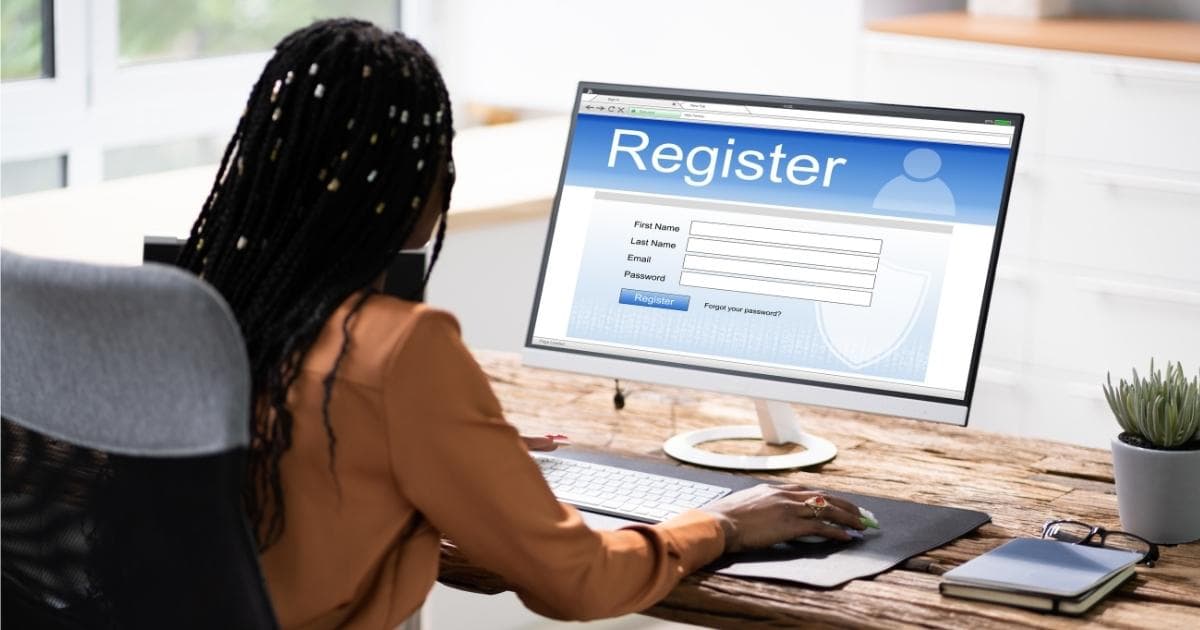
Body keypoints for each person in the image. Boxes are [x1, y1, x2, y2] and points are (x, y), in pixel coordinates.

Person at [177, 19, 866, 629]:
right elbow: (578, 582)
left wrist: (463, 446)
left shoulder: (199, 311)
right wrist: (719, 524)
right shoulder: (399, 349)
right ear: (422, 184)